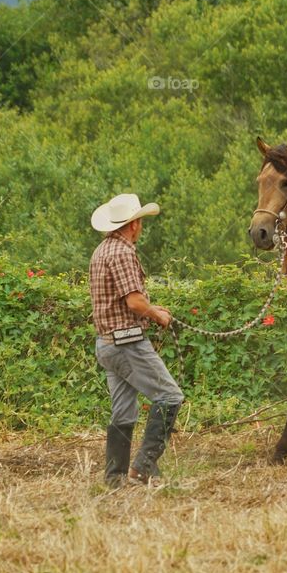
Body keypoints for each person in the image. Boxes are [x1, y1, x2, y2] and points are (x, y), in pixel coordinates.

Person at [89, 193, 184, 487]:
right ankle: (144, 466)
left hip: (106, 344)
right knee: (170, 396)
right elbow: (134, 302)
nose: (140, 227)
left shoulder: (101, 251)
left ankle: (114, 477)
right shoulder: (123, 253)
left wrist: (152, 310)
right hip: (127, 342)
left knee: (123, 410)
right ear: (133, 225)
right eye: (140, 222)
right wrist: (157, 315)